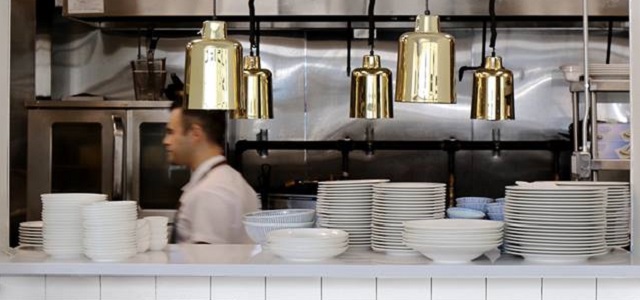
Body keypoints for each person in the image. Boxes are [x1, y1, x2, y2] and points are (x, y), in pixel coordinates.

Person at [163, 101, 259, 244]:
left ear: (195, 134)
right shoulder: (228, 179)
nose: (166, 141)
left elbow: (206, 264)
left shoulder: (210, 192)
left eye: (171, 132)